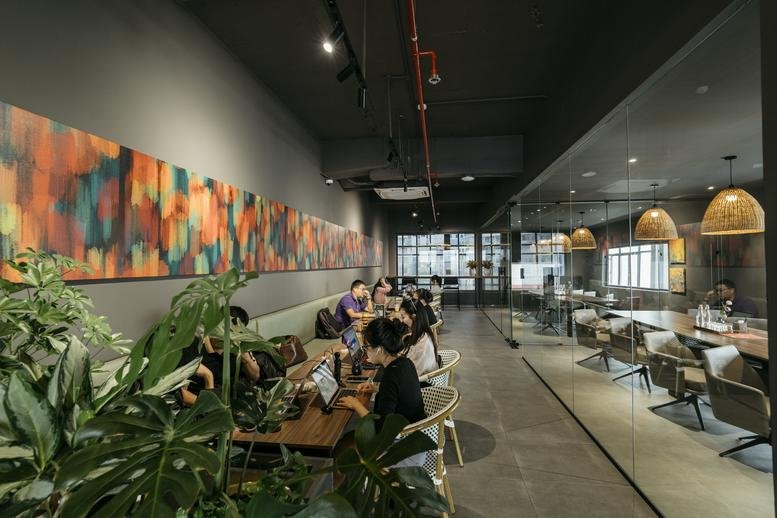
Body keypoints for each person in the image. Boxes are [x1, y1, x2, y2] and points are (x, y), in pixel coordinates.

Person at [339, 318, 427, 434]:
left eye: (367, 347)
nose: (365, 352)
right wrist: (376, 388)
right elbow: (399, 390)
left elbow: (380, 427)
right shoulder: (405, 362)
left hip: (404, 436)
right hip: (417, 424)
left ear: (379, 349)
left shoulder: (390, 375)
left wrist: (356, 404)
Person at [398, 299, 440, 377]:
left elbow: (412, 374)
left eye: (403, 317)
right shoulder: (422, 334)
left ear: (414, 317)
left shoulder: (422, 344)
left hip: (423, 381)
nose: (402, 321)